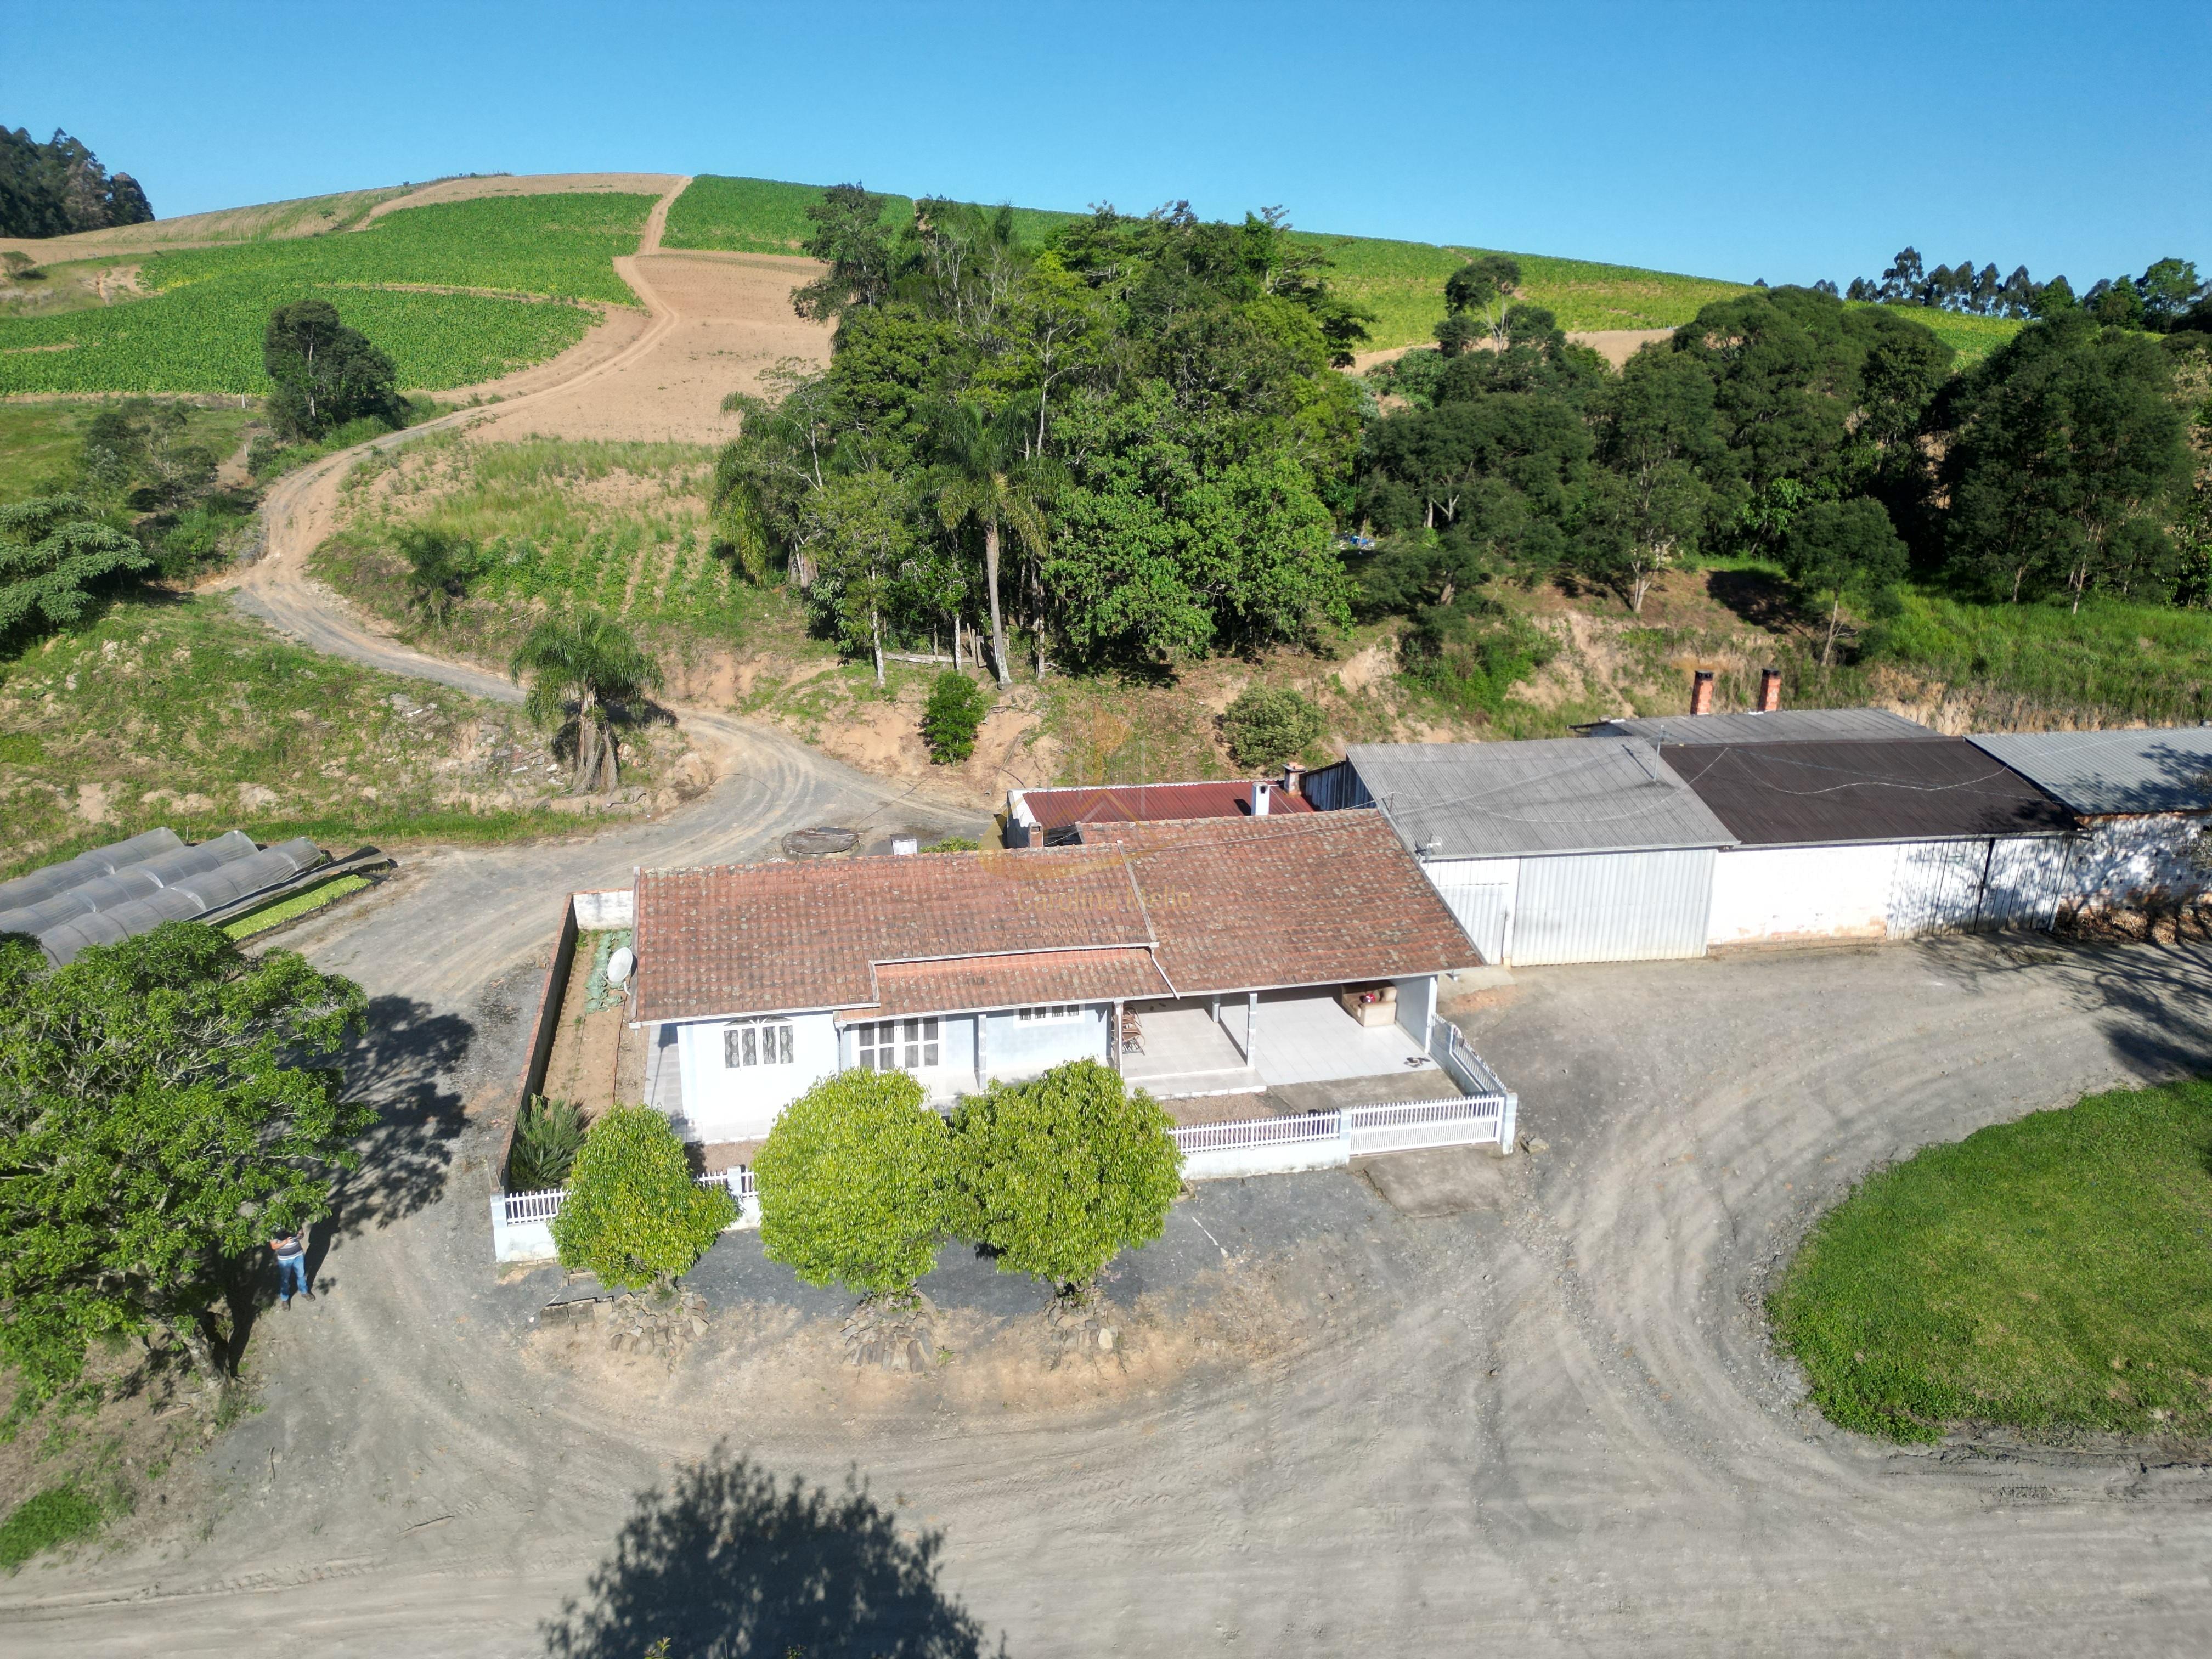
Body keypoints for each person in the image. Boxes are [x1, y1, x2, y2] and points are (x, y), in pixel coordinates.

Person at [271, 1227, 313, 1308]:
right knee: (285, 1279)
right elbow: (274, 1246)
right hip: (285, 1259)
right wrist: (285, 1242)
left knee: (301, 1274)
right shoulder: (273, 1227)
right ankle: (285, 1299)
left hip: (298, 1255)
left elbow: (301, 1234)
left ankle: (304, 1292)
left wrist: (300, 1235)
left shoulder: (293, 1221)